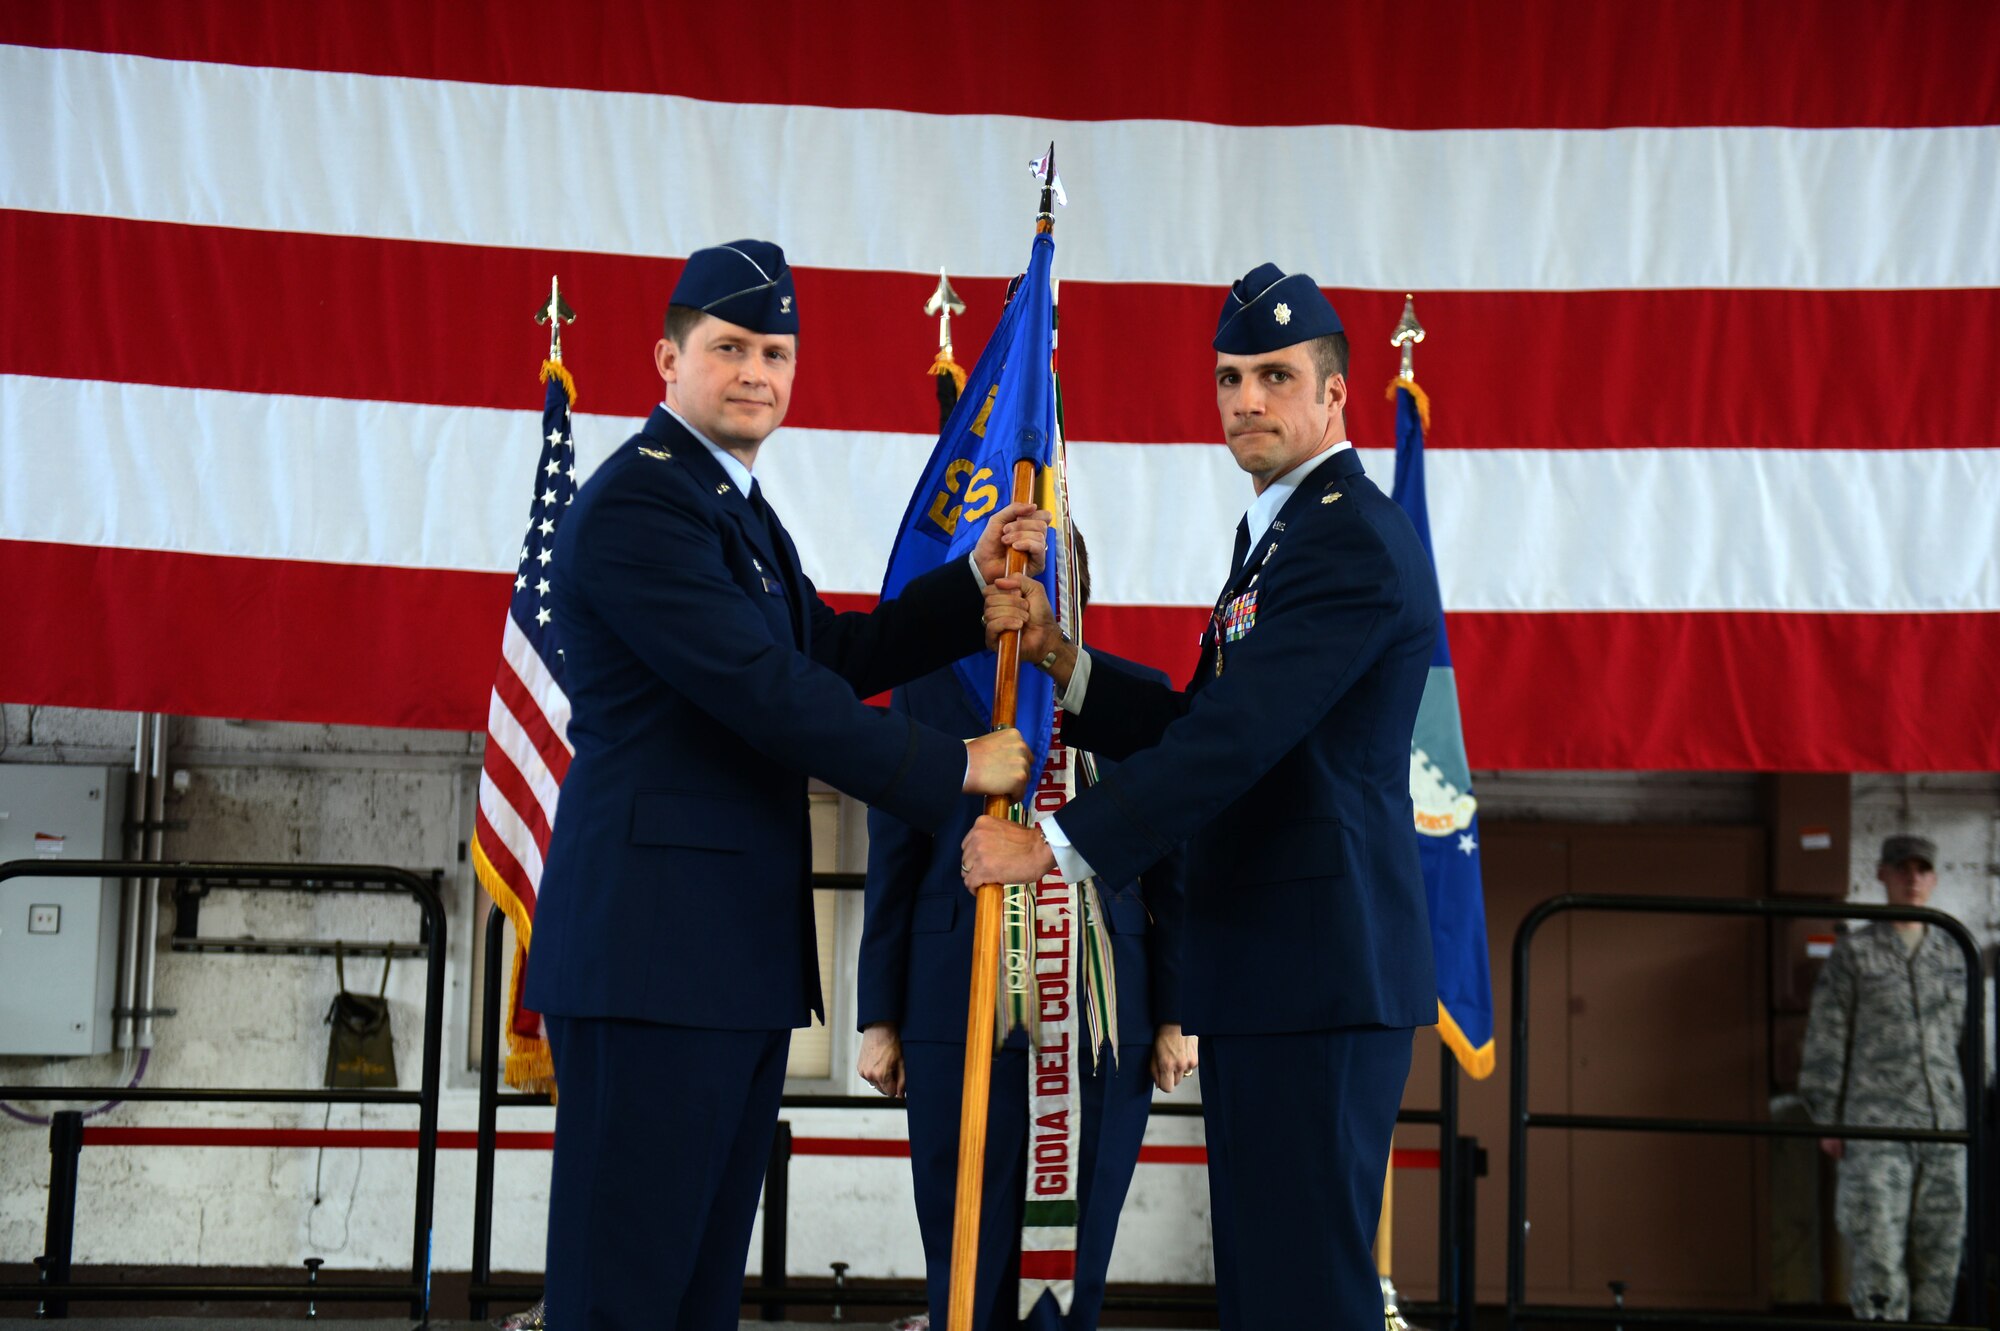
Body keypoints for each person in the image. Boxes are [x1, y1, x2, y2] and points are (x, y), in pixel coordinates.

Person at [524, 239, 1044, 1331]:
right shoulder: (642, 508)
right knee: (624, 1292)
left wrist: (969, 582)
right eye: (728, 348)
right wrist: (950, 766)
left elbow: (827, 652)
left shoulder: (736, 509)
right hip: (650, 956)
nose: (756, 370)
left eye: (775, 349)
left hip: (725, 958)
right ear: (666, 359)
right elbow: (765, 690)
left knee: (698, 1290)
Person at [963, 263, 1441, 1328]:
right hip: (1276, 964)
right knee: (1270, 1288)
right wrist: (1057, 659)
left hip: (1318, 965)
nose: (1245, 400)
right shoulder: (1282, 531)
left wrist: (1054, 844)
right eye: (1229, 377)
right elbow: (1204, 716)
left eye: (1275, 375)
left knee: (1306, 1293)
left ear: (1333, 395)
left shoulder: (1345, 538)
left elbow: (1235, 739)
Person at [856, 533, 1193, 1331]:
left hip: (1104, 1022)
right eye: (1012, 572)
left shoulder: (1130, 697)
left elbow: (1173, 866)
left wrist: (1180, 1013)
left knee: (1075, 1259)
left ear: (1078, 585)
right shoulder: (928, 692)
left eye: (1044, 573)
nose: (1025, 587)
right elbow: (893, 858)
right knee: (964, 1251)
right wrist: (879, 1018)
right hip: (953, 1010)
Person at [1800, 834, 1968, 1322]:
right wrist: (1828, 1118)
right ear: (1882, 875)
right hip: (1876, 1128)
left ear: (1933, 879)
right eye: (1901, 868)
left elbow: (1969, 1040)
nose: (1912, 878)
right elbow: (1826, 1037)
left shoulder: (1956, 952)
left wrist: (1973, 1112)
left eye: (1921, 869)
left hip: (1943, 1128)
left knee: (1939, 1260)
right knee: (1878, 1256)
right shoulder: (1854, 953)